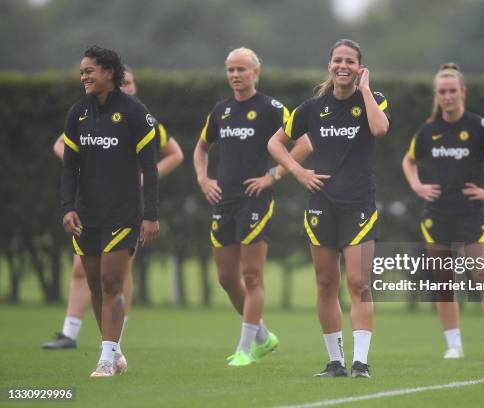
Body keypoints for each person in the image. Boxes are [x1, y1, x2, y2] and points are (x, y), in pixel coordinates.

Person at [268, 39, 390, 378]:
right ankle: (335, 362)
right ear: (329, 65)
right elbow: (275, 143)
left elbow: (380, 129)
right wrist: (297, 171)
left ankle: (360, 363)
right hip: (321, 206)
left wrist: (365, 90)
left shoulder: (373, 100)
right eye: (338, 60)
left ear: (359, 67)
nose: (343, 66)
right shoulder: (310, 108)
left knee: (358, 283)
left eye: (350, 61)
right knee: (325, 283)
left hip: (359, 206)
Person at [44, 66, 183, 351]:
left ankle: (115, 338)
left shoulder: (143, 119)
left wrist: (144, 175)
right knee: (82, 270)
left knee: (117, 275)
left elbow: (175, 154)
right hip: (92, 204)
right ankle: (71, 333)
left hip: (125, 206)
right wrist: (84, 165)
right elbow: (62, 145)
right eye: (125, 82)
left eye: (132, 82)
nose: (128, 86)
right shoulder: (90, 114)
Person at [194, 47, 312, 367]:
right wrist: (204, 179)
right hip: (224, 201)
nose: (235, 75)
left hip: (256, 200)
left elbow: (304, 144)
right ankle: (263, 335)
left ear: (255, 73)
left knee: (251, 276)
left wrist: (274, 175)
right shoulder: (221, 110)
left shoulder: (272, 108)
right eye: (230, 69)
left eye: (242, 69)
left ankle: (245, 349)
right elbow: (201, 147)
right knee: (225, 278)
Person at [402, 63, 484, 359]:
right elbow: (408, 160)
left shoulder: (478, 126)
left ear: (463, 92)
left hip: (471, 215)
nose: (448, 96)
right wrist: (417, 186)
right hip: (436, 216)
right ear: (436, 95)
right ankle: (454, 345)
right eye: (442, 92)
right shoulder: (429, 131)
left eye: (453, 91)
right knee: (444, 284)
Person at [61, 46, 160, 377]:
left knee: (111, 281)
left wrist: (151, 215)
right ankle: (115, 352)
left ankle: (105, 358)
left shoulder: (135, 112)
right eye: (82, 72)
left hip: (123, 212)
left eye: (89, 71)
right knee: (93, 284)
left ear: (108, 73)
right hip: (87, 213)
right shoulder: (78, 113)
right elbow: (69, 167)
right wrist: (67, 207)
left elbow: (151, 167)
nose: (84, 77)